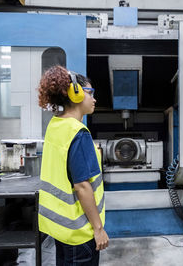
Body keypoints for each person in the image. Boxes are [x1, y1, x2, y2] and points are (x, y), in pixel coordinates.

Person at [37, 65, 108, 266]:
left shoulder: (55, 125)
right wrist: (98, 228)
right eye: (90, 93)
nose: (94, 99)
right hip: (79, 232)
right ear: (75, 94)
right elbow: (82, 186)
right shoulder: (78, 132)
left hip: (61, 228)